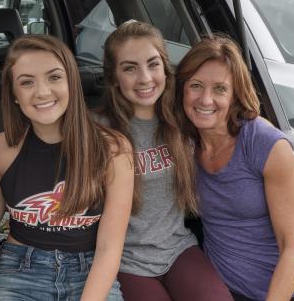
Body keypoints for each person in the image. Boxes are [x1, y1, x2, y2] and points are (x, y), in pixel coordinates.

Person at [175, 34, 294, 301]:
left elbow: (293, 248)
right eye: (196, 85)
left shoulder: (260, 141)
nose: (205, 100)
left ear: (234, 95)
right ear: (181, 89)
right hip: (230, 289)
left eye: (220, 89)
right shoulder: (180, 140)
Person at [0, 35, 135, 300]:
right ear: (13, 94)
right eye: (26, 82)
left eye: (54, 77)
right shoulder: (5, 147)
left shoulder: (113, 149)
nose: (42, 91)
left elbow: (109, 248)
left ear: (71, 82)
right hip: (21, 268)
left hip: (91, 268)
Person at [98, 20, 232, 300]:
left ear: (165, 67)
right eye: (130, 68)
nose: (145, 78)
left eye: (152, 64)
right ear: (114, 77)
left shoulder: (184, 117)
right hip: (125, 259)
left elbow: (241, 124)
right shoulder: (99, 129)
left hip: (178, 248)